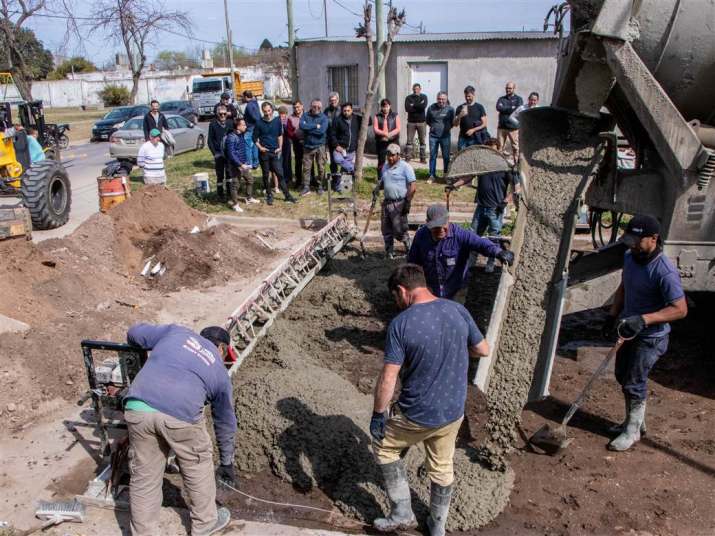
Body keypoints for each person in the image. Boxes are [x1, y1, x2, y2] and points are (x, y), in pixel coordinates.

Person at [370, 263, 489, 536]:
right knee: (442, 465)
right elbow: (482, 349)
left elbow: (388, 378)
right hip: (453, 411)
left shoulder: (401, 324)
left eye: (395, 297)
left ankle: (402, 514)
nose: (397, 303)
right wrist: (454, 348)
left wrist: (379, 415)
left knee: (385, 448)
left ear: (402, 291)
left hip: (417, 413)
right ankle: (437, 527)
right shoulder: (457, 310)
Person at [123, 323, 237, 536]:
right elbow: (225, 421)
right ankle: (205, 524)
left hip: (138, 407)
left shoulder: (177, 333)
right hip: (181, 416)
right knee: (198, 465)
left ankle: (143, 532)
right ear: (221, 348)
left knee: (144, 476)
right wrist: (227, 462)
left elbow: (134, 333)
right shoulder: (220, 373)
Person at [602, 215, 687, 452]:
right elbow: (624, 286)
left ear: (653, 238)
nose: (632, 245)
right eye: (629, 240)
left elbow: (680, 309)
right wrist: (612, 315)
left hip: (651, 337)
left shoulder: (664, 271)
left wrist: (645, 319)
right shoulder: (630, 257)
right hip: (629, 330)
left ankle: (632, 432)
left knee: (634, 381)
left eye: (637, 240)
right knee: (621, 375)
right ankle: (635, 421)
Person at [407, 204, 514, 299]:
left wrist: (499, 252)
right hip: (431, 290)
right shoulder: (421, 236)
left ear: (448, 220)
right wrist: (420, 286)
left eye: (443, 225)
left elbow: (481, 243)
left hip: (456, 289)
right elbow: (413, 263)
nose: (441, 230)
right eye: (436, 227)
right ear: (427, 223)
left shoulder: (460, 234)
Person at [448, 138, 520, 272]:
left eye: (492, 149)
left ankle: (490, 262)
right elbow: (469, 177)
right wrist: (453, 185)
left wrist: (505, 201)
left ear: (498, 150)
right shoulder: (483, 165)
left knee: (494, 237)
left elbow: (515, 188)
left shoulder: (505, 167)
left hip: (495, 208)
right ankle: (470, 261)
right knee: (473, 236)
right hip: (481, 207)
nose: (489, 153)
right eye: (487, 150)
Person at [376, 144, 416, 259]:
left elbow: (413, 187)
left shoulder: (405, 167)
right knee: (386, 229)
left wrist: (407, 202)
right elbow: (384, 182)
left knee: (400, 229)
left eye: (392, 155)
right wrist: (377, 188)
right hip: (387, 202)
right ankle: (389, 253)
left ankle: (410, 250)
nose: (390, 158)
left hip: (399, 203)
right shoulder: (385, 166)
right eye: (388, 155)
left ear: (398, 155)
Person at [253, 101, 296, 206]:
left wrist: (280, 147)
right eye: (265, 111)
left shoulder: (277, 121)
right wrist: (260, 147)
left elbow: (280, 135)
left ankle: (287, 195)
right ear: (262, 111)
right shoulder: (259, 123)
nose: (267, 113)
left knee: (280, 174)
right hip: (264, 153)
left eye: (269, 110)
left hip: (274, 152)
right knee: (266, 175)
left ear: (272, 110)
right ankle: (269, 195)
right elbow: (254, 138)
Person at [225, 117, 259, 208]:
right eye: (243, 125)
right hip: (235, 165)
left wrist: (245, 162)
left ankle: (249, 198)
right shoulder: (231, 137)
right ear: (238, 126)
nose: (245, 126)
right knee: (235, 185)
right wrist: (240, 164)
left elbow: (242, 150)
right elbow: (231, 154)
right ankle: (235, 205)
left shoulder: (241, 135)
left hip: (243, 164)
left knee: (250, 179)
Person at [299, 99, 329, 196]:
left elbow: (321, 131)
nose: (316, 108)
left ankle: (320, 186)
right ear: (310, 106)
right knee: (306, 168)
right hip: (308, 146)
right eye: (314, 106)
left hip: (320, 146)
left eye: (319, 107)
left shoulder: (324, 118)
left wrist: (308, 128)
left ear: (321, 107)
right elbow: (302, 126)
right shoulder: (305, 115)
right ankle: (306, 187)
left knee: (321, 167)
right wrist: (316, 126)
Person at [425, 91, 455, 183]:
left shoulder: (450, 109)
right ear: (437, 99)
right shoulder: (431, 108)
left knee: (446, 157)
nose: (441, 101)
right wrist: (434, 127)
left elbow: (452, 122)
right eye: (439, 99)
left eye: (443, 99)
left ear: (446, 99)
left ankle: (446, 175)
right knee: (433, 156)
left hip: (445, 136)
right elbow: (428, 121)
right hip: (433, 137)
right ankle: (432, 175)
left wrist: (445, 129)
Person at [207, 105, 234, 201]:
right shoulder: (213, 124)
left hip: (229, 154)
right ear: (217, 114)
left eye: (224, 113)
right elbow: (209, 141)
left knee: (229, 174)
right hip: (219, 154)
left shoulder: (231, 123)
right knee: (220, 175)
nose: (223, 115)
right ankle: (220, 194)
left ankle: (231, 194)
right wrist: (215, 153)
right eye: (220, 114)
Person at [329, 102, 361, 178]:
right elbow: (332, 134)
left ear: (352, 110)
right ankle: (353, 168)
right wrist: (336, 145)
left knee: (344, 170)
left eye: (348, 110)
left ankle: (340, 187)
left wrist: (363, 112)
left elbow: (368, 122)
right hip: (340, 148)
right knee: (337, 159)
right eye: (344, 111)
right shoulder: (337, 120)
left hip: (351, 149)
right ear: (342, 111)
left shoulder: (356, 118)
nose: (346, 112)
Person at [454, 86, 489, 151]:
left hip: (476, 138)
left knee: (475, 158)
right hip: (463, 138)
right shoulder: (460, 107)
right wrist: (459, 116)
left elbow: (484, 124)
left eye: (469, 96)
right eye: (466, 96)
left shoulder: (479, 107)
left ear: (473, 95)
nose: (467, 98)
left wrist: (473, 130)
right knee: (462, 157)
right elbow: (455, 124)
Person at [496, 82, 523, 162]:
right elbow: (498, 108)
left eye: (510, 88)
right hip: (502, 127)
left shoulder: (519, 99)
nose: (508, 90)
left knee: (515, 147)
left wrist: (505, 108)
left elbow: (518, 110)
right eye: (507, 88)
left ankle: (516, 165)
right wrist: (511, 108)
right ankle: (499, 165)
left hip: (513, 128)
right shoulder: (501, 99)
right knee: (499, 147)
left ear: (514, 89)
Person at [373, 98, 401, 173]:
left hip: (393, 140)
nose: (385, 108)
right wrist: (385, 134)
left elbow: (398, 128)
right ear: (381, 107)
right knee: (381, 160)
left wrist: (389, 135)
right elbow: (375, 129)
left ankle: (395, 176)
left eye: (387, 106)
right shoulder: (377, 116)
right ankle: (380, 178)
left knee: (394, 159)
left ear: (390, 106)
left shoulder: (395, 115)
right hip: (381, 141)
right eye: (383, 106)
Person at [404, 83, 428, 163]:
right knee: (409, 141)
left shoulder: (424, 97)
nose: (415, 90)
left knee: (422, 141)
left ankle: (423, 158)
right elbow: (407, 109)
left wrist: (413, 105)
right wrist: (418, 105)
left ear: (420, 89)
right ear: (412, 89)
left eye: (417, 89)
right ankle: (408, 158)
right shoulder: (408, 98)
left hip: (421, 122)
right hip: (411, 122)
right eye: (414, 89)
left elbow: (423, 106)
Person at [285, 100, 307, 189]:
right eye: (294, 107)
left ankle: (311, 180)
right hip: (297, 143)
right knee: (298, 162)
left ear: (302, 106)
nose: (296, 109)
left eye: (298, 107)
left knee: (309, 163)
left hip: (308, 143)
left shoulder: (307, 115)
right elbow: (289, 132)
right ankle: (298, 181)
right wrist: (297, 137)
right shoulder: (290, 118)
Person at [242, 90, 261, 167]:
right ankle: (255, 163)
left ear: (246, 97)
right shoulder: (255, 102)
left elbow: (255, 116)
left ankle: (249, 163)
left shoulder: (249, 105)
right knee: (255, 145)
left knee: (248, 146)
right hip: (255, 127)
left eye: (243, 97)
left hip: (250, 128)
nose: (243, 98)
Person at [324, 91, 340, 178]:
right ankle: (335, 180)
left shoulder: (342, 110)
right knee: (333, 161)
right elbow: (325, 126)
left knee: (342, 160)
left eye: (334, 100)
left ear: (338, 100)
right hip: (330, 140)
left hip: (340, 140)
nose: (333, 102)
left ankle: (344, 181)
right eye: (331, 100)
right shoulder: (326, 111)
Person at [277, 106, 293, 186]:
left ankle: (288, 178)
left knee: (287, 161)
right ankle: (280, 178)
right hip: (278, 143)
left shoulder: (288, 121)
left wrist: (285, 127)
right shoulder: (276, 121)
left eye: (284, 114)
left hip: (286, 142)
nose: (282, 116)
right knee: (279, 161)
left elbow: (291, 133)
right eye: (281, 114)